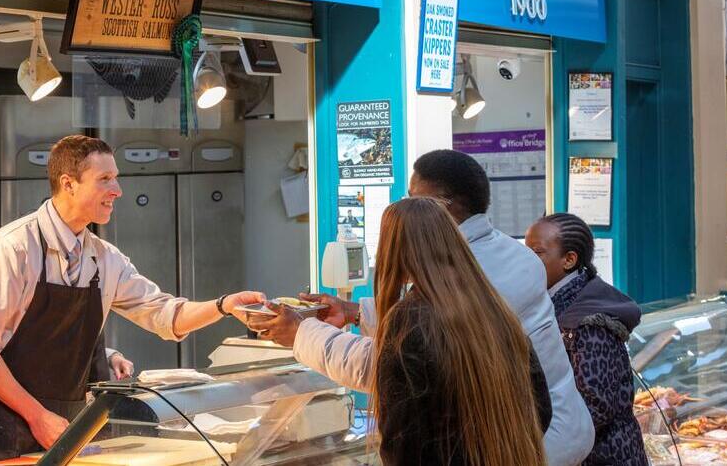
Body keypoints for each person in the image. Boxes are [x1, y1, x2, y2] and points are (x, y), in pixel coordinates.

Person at [252, 150, 594, 466]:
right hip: (533, 437)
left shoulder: (477, 281)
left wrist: (301, 332)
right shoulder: (506, 257)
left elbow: (392, 364)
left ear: (438, 210)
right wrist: (357, 312)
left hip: (531, 445)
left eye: (412, 199)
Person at [0, 135, 264, 463]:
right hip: (3, 434)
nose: (117, 190)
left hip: (68, 429)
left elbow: (165, 314)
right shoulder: (13, 249)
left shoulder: (105, 259)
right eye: (105, 179)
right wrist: (37, 416)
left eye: (115, 178)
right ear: (68, 184)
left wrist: (223, 306)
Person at [368, 197, 550, 465]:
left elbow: (401, 440)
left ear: (393, 250)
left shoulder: (407, 320)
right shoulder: (493, 306)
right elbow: (541, 409)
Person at [526, 214, 648, 465]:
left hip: (602, 456)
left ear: (569, 260)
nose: (527, 261)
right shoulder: (551, 304)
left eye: (537, 252)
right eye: (525, 251)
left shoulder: (588, 320)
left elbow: (595, 406)